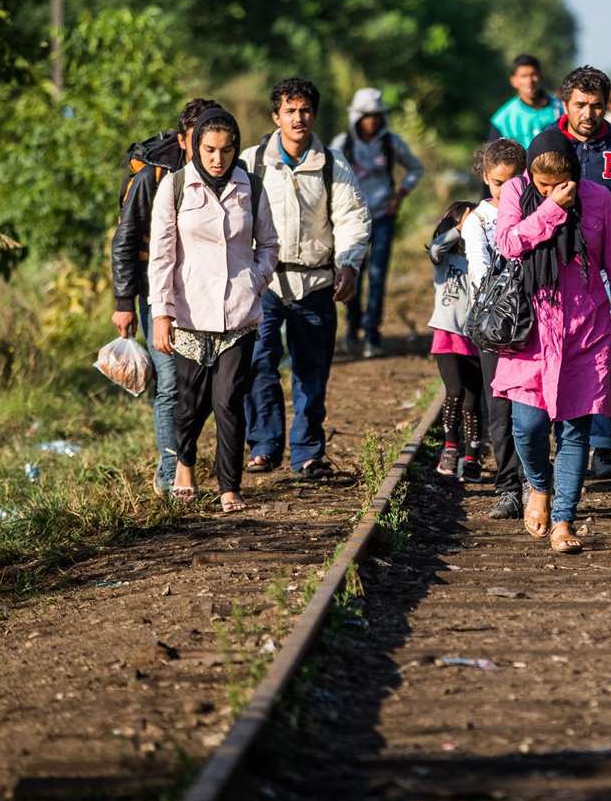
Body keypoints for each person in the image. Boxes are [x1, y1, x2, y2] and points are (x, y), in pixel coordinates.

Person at [491, 131, 611, 553]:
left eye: (561, 184)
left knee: (576, 430)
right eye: (543, 185)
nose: (552, 191)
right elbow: (508, 243)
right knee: (528, 425)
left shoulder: (599, 200)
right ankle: (539, 484)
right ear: (530, 176)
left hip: (586, 329)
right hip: (531, 330)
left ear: (575, 172)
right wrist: (551, 210)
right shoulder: (516, 193)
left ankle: (564, 521)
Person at [149, 107, 279, 513]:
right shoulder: (174, 188)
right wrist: (161, 313)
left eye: (225, 150)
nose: (217, 158)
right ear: (195, 148)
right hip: (189, 314)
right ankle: (185, 466)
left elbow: (270, 245)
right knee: (189, 403)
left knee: (228, 401)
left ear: (235, 148)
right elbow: (161, 257)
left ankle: (229, 486)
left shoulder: (251, 187)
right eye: (209, 150)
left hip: (237, 316)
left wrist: (252, 280)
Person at [241, 78, 372, 479]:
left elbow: (352, 218)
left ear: (314, 114)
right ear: (275, 116)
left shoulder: (332, 164)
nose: (299, 119)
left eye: (305, 111)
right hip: (262, 285)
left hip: (315, 283)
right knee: (258, 365)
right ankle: (263, 445)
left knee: (311, 370)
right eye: (290, 111)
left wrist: (348, 265)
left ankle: (308, 452)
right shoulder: (252, 162)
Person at [528, 65, 611, 481]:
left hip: (607, 268)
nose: (589, 113)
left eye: (596, 105)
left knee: (609, 357)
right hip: (553, 270)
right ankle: (564, 436)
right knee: (557, 357)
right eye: (580, 105)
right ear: (565, 104)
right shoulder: (545, 146)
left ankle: (602, 446)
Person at [111, 97, 219, 496]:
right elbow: (124, 240)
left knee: (204, 382)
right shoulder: (154, 176)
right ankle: (170, 470)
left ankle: (189, 461)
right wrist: (124, 303)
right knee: (171, 380)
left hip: (205, 290)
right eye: (199, 140)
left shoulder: (224, 170)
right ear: (183, 139)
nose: (210, 150)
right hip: (157, 290)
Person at [462, 139, 529, 518]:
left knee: (535, 407)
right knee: (499, 408)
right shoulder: (478, 222)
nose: (506, 191)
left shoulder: (535, 213)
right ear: (486, 178)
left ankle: (535, 479)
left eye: (514, 181)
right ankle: (508, 486)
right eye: (498, 182)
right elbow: (480, 268)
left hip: (534, 324)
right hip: (497, 326)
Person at [332, 87, 424, 358]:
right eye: (367, 115)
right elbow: (328, 173)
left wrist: (401, 194)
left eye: (376, 115)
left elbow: (416, 169)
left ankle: (372, 333)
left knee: (377, 276)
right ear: (357, 117)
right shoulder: (342, 144)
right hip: (351, 219)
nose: (372, 121)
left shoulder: (391, 143)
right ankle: (352, 329)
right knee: (352, 274)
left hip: (383, 216)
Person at [428, 200, 485, 481]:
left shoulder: (480, 257)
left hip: (475, 336)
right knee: (454, 391)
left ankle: (472, 456)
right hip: (447, 334)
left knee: (474, 399)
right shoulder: (444, 259)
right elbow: (436, 247)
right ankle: (450, 448)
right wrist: (460, 229)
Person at [489, 53, 563, 143]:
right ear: (513, 81)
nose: (530, 81)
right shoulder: (503, 120)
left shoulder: (561, 109)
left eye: (533, 74)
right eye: (524, 76)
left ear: (540, 76)